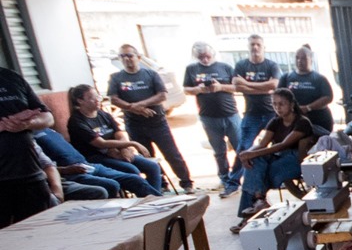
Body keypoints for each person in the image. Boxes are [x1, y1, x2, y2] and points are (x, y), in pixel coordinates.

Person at [107, 44, 194, 193]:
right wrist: (132, 108)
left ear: (138, 57)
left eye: (130, 55)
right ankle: (161, 183)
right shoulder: (116, 77)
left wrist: (139, 105)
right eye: (123, 56)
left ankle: (186, 183)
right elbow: (113, 99)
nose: (127, 59)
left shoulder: (151, 74)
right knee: (147, 156)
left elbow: (162, 95)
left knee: (172, 153)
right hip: (134, 124)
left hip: (157, 122)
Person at [231, 88, 313, 232]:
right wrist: (247, 154)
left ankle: (251, 212)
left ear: (292, 104)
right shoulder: (275, 121)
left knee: (262, 170)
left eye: (282, 104)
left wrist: (252, 155)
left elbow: (283, 145)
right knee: (255, 164)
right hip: (278, 156)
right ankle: (259, 201)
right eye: (274, 104)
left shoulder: (302, 122)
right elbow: (262, 144)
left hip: (295, 159)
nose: (277, 108)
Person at [67, 84, 165, 195]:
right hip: (97, 157)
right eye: (92, 98)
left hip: (116, 151)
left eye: (97, 96)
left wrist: (124, 148)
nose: (97, 100)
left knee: (153, 167)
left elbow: (119, 132)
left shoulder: (103, 114)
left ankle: (153, 198)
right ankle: (150, 200)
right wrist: (133, 144)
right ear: (80, 101)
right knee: (132, 170)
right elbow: (100, 143)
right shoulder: (76, 121)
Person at [183, 41, 242, 198]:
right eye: (201, 57)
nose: (205, 59)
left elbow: (238, 87)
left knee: (241, 148)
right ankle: (225, 179)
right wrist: (198, 89)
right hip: (208, 117)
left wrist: (221, 87)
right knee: (219, 151)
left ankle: (238, 178)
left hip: (231, 114)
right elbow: (186, 89)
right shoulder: (191, 69)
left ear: (213, 54)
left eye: (207, 56)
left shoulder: (225, 67)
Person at [0, 66, 55, 227]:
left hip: (30, 174)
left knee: (40, 234)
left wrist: (28, 123)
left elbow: (48, 117)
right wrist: (5, 125)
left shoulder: (12, 77)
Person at [34, 127, 159, 197]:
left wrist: (121, 147)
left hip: (89, 165)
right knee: (112, 184)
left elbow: (118, 132)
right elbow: (43, 169)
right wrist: (65, 170)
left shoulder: (50, 130)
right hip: (72, 173)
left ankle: (159, 205)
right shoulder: (29, 140)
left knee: (134, 178)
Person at [232, 34, 281, 155]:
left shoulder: (271, 65)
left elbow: (274, 85)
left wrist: (247, 83)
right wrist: (265, 88)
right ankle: (235, 175)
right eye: (252, 44)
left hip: (272, 112)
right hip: (251, 113)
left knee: (278, 145)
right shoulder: (241, 65)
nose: (255, 47)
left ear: (264, 47)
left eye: (258, 45)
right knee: (244, 147)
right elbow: (237, 86)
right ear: (247, 47)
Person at [279, 45, 334, 134]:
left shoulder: (319, 78)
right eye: (297, 58)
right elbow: (278, 97)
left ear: (311, 59)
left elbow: (328, 97)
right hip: (295, 123)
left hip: (319, 120)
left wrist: (308, 107)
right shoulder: (286, 78)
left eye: (303, 58)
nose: (300, 61)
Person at [33, 140, 109, 200]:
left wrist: (58, 193)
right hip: (34, 186)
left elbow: (48, 166)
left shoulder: (30, 142)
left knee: (99, 192)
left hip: (54, 180)